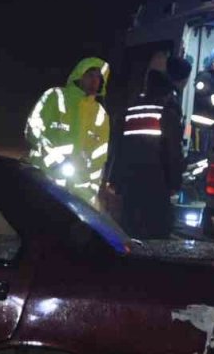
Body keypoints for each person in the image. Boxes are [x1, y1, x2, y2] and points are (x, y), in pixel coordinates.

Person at [111, 52, 192, 238]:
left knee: (130, 232)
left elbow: (119, 145)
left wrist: (116, 179)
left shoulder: (133, 106)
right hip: (155, 182)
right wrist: (175, 181)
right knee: (156, 235)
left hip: (130, 181)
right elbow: (172, 150)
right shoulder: (168, 108)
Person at [24, 57, 111, 205]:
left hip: (76, 193)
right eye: (90, 75)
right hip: (42, 179)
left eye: (98, 78)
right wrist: (55, 158)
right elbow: (33, 128)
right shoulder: (54, 96)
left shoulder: (100, 114)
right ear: (80, 74)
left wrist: (91, 191)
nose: (94, 81)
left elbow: (99, 156)